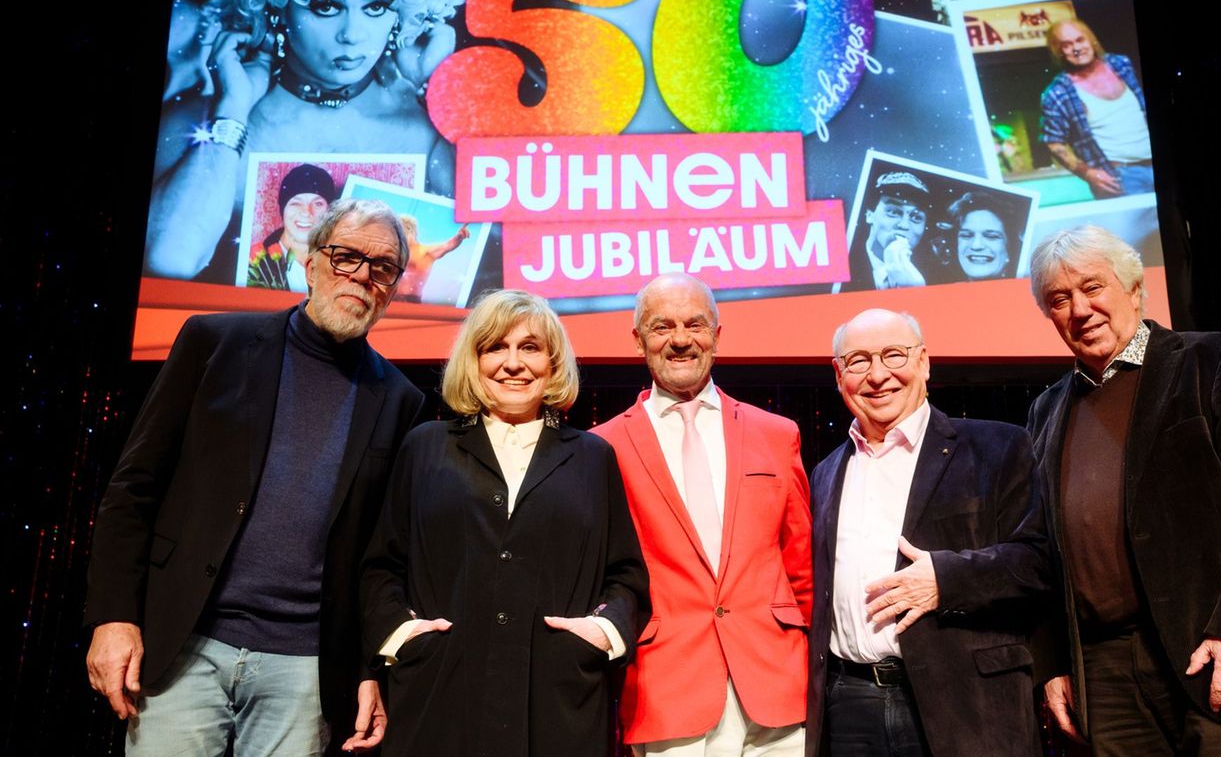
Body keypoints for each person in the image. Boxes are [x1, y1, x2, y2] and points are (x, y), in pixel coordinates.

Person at [84, 199, 425, 755]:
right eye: (346, 257)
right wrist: (113, 617)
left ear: (393, 286)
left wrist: (367, 669)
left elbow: (376, 557)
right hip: (184, 642)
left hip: (305, 670)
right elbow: (133, 488)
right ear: (311, 261)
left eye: (382, 267)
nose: (363, 276)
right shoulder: (215, 343)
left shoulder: (400, 400)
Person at [1025, 225, 1221, 754]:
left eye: (1093, 287)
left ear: (1134, 289)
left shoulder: (1216, 360)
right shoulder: (1047, 410)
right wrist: (1054, 664)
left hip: (1216, 651)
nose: (1079, 309)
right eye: (1059, 299)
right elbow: (1044, 551)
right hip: (1105, 673)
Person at [362, 289, 649, 756]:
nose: (513, 363)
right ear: (472, 361)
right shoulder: (425, 447)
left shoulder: (593, 457)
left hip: (559, 706)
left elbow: (626, 579)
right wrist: (403, 638)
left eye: (530, 348)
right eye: (495, 347)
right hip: (441, 697)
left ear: (553, 363)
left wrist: (599, 636)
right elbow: (381, 568)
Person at [807, 308, 1050, 756]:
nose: (878, 375)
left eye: (894, 356)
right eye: (859, 361)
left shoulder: (998, 446)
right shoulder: (824, 473)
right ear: (839, 375)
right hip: (850, 705)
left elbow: (1038, 562)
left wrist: (946, 579)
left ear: (924, 363)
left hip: (965, 702)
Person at [145, 0, 463, 283]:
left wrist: (442, 92)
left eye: (376, 6)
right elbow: (170, 260)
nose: (352, 35)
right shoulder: (210, 120)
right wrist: (233, 110)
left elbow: (505, 244)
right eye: (325, 5)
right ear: (274, 4)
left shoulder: (430, 127)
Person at [592, 274, 812, 756]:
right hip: (666, 686)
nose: (680, 340)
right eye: (661, 326)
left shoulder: (776, 433)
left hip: (776, 681)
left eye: (695, 324)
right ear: (637, 341)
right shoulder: (603, 446)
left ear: (716, 334)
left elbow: (801, 564)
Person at [1039, 18, 1154, 199]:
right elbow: (1053, 142)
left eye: (1080, 40)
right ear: (1059, 52)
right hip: (1120, 177)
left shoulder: (1121, 64)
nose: (1076, 48)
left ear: (1090, 39)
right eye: (1067, 45)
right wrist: (1087, 173)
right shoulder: (1057, 93)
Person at [248, 163, 338, 291]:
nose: (307, 212)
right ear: (283, 210)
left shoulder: (342, 264)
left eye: (318, 204)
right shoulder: (255, 266)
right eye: (296, 203)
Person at [843, 171, 930, 291]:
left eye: (916, 217)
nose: (904, 225)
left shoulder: (936, 276)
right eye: (893, 212)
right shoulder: (840, 266)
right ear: (869, 215)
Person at [392, 215, 470, 302]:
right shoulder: (394, 252)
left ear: (412, 232)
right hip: (391, 298)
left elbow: (448, 246)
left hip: (411, 300)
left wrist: (459, 237)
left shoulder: (425, 252)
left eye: (402, 232)